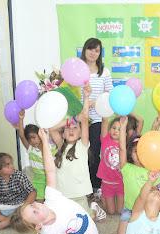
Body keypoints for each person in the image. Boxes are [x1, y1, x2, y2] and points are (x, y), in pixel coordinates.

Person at [11, 129, 102, 234]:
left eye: (33, 205)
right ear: (38, 226)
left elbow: (50, 170)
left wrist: (45, 142)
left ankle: (93, 213)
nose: (37, 206)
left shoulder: (51, 198)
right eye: (34, 212)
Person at [49, 84, 106, 221]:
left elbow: (84, 118)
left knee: (83, 221)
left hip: (80, 193)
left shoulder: (82, 145)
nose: (71, 130)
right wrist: (71, 120)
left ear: (81, 133)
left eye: (75, 128)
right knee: (64, 221)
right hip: (63, 195)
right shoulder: (60, 145)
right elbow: (51, 128)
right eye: (68, 129)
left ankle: (93, 209)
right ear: (63, 134)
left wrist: (86, 97)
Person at [80, 38, 114, 200]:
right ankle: (82, 187)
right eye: (90, 49)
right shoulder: (78, 70)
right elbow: (71, 94)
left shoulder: (104, 72)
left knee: (93, 154)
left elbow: (110, 95)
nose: (93, 53)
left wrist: (96, 102)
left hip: (97, 120)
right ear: (85, 50)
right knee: (79, 154)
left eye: (97, 50)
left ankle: (96, 185)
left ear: (100, 54)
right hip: (79, 119)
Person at [117, 116, 160, 234]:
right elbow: (122, 148)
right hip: (129, 209)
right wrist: (123, 126)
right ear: (131, 153)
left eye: (142, 152)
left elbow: (157, 145)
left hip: (146, 210)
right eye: (136, 151)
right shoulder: (126, 167)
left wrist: (159, 126)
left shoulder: (151, 170)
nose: (139, 155)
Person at [14, 109, 57, 201]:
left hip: (52, 178)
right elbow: (21, 135)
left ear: (40, 135)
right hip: (38, 180)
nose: (32, 141)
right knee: (39, 202)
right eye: (29, 139)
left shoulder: (51, 148)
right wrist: (21, 119)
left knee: (52, 202)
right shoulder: (31, 149)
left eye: (34, 137)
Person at [97, 116, 124, 215]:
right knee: (111, 212)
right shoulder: (105, 139)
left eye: (119, 129)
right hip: (107, 181)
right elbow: (104, 121)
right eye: (113, 128)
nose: (116, 131)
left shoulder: (123, 143)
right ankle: (102, 195)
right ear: (109, 129)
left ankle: (109, 196)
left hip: (121, 181)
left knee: (120, 211)